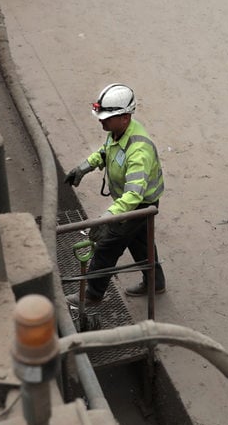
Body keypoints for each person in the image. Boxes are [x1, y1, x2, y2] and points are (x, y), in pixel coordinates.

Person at [64, 83, 166, 305]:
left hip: (140, 204)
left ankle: (92, 294)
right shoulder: (117, 131)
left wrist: (108, 218)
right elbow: (106, 151)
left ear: (125, 117)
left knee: (107, 247)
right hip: (135, 204)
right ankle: (155, 282)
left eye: (106, 117)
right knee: (140, 242)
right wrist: (85, 166)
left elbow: (133, 197)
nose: (101, 120)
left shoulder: (139, 150)